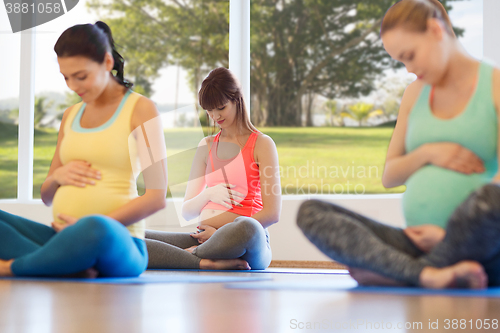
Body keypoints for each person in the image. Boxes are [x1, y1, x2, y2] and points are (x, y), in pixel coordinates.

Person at [297, 0, 500, 289]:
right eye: (401, 61)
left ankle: (402, 273)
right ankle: (428, 274)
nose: (409, 69)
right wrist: (429, 153)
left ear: (434, 30)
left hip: (483, 248)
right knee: (311, 212)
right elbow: (390, 175)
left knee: (493, 199)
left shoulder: (494, 84)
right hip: (416, 241)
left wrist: (447, 237)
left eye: (411, 56)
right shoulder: (414, 94)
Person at [0, 21, 167, 278]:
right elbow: (47, 197)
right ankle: (72, 265)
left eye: (81, 76)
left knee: (95, 227)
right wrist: (57, 177)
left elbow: (156, 197)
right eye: (66, 77)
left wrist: (84, 227)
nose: (73, 86)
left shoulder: (141, 109)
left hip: (117, 241)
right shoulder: (70, 115)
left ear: (107, 63)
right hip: (59, 237)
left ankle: (12, 267)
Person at [145, 67, 281, 270]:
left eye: (220, 108)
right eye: (209, 110)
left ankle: (190, 257)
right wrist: (208, 193)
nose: (215, 116)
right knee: (136, 235)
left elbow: (272, 213)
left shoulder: (262, 144)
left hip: (247, 241)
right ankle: (206, 260)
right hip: (204, 239)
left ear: (236, 100)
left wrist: (218, 234)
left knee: (247, 227)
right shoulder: (206, 145)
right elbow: (187, 212)